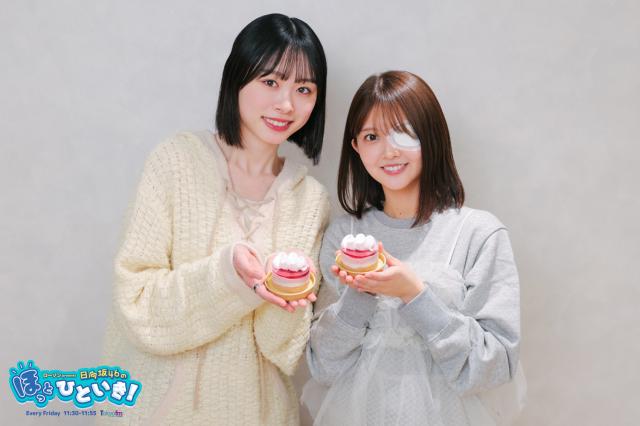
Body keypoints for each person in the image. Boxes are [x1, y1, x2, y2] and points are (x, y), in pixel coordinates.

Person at [100, 14, 330, 425]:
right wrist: (228, 277)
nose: (287, 104)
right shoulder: (176, 162)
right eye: (270, 82)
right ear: (237, 78)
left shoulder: (309, 200)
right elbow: (136, 305)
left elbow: (283, 349)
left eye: (304, 89)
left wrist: (286, 291)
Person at [303, 71, 526, 425]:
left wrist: (414, 294)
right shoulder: (344, 237)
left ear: (430, 136)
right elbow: (323, 366)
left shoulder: (479, 234)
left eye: (404, 132)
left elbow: (496, 365)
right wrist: (362, 291)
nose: (389, 151)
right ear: (356, 146)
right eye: (372, 136)